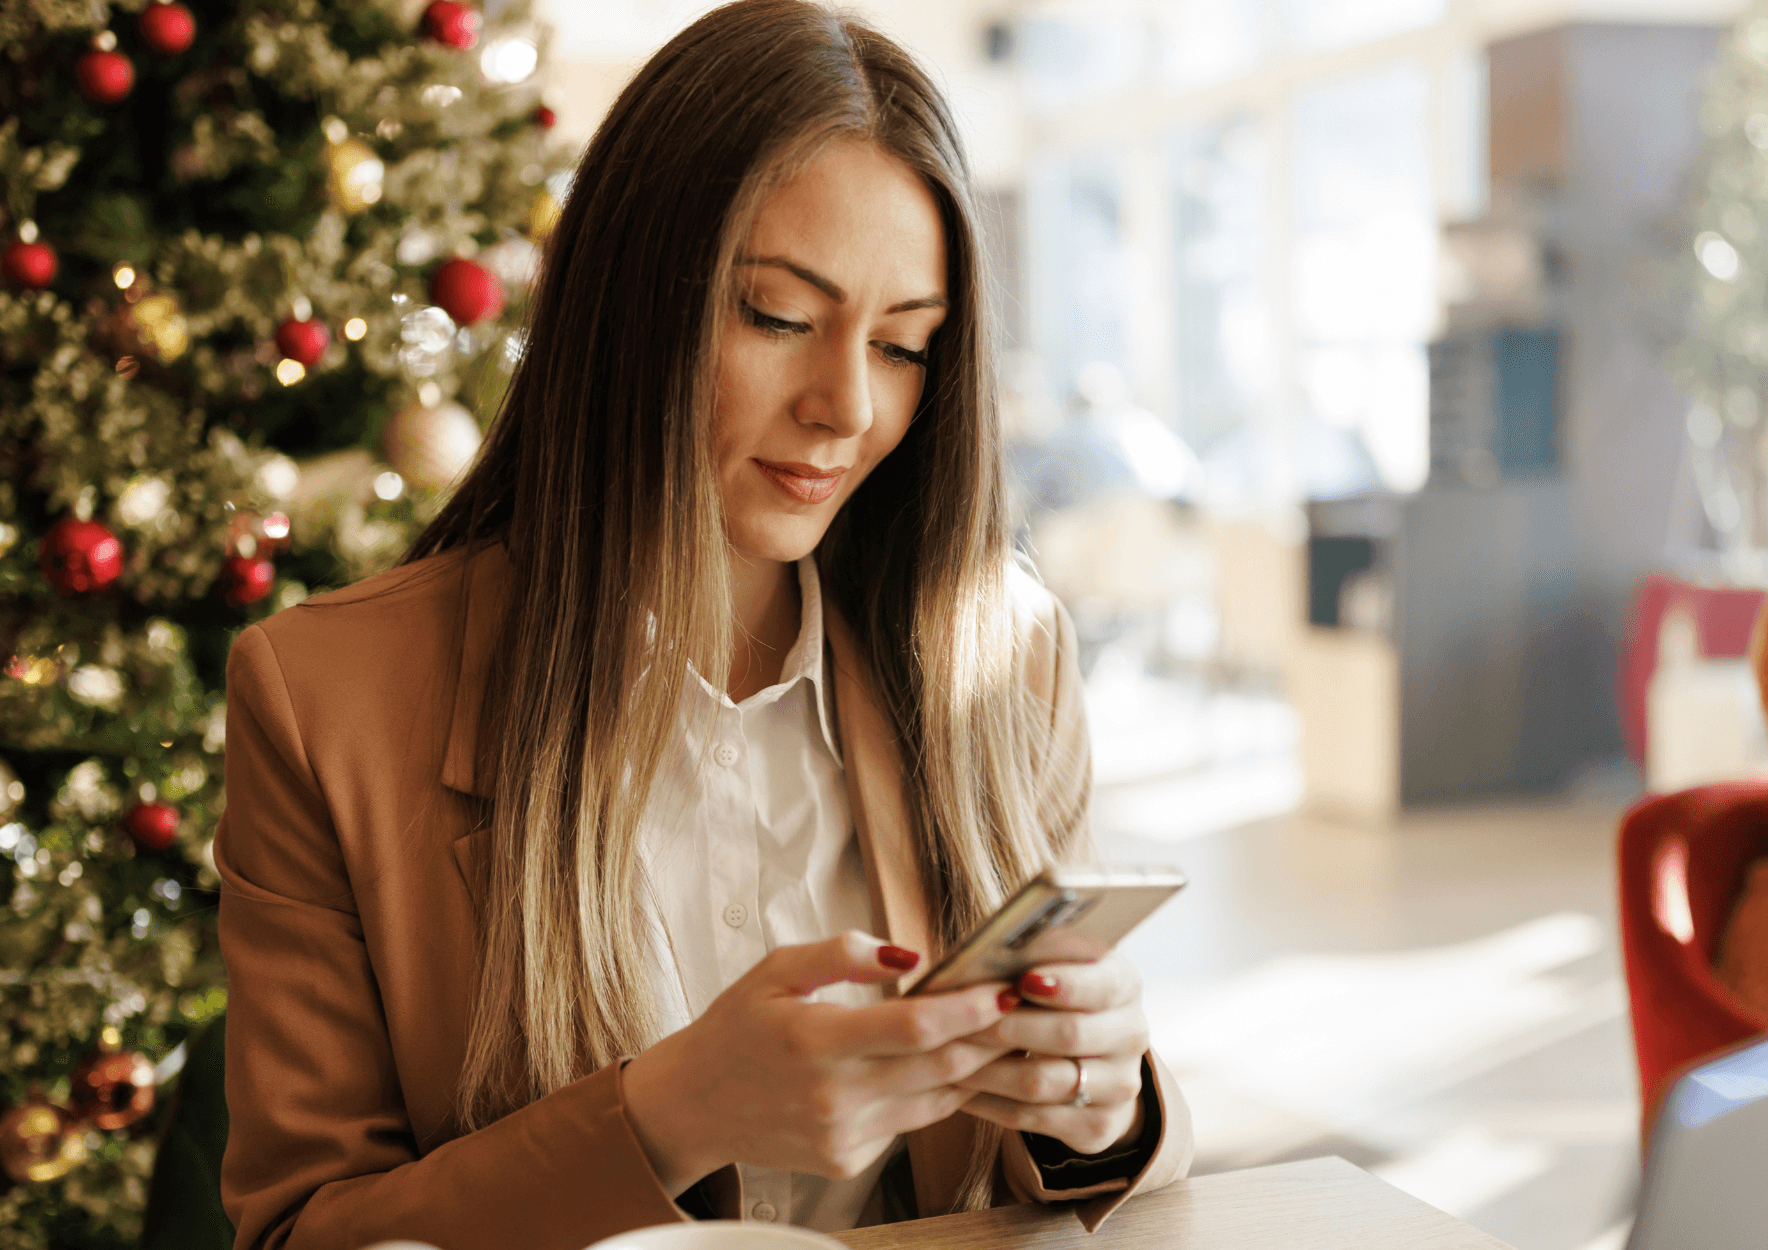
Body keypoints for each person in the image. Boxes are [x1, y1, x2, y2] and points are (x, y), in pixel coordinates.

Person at [213, 3, 1192, 1247]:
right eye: (779, 317)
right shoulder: (327, 700)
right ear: (630, 305)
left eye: (904, 345)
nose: (847, 406)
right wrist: (669, 1113)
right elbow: (303, 1231)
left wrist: (1096, 1108)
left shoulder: (1000, 653)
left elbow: (1114, 1186)